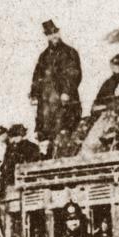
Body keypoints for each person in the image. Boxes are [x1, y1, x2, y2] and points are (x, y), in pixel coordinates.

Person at [30, 19, 83, 158]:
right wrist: (34, 94)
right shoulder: (44, 56)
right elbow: (37, 77)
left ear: (59, 33)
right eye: (49, 34)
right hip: (47, 105)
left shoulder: (69, 52)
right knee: (47, 137)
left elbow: (74, 73)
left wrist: (66, 91)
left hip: (65, 103)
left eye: (55, 32)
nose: (53, 36)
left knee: (65, 133)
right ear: (46, 36)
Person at [0, 124, 42, 198]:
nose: (14, 139)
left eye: (16, 136)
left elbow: (35, 163)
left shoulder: (31, 147)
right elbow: (6, 166)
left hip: (27, 181)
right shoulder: (10, 149)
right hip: (14, 183)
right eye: (13, 136)